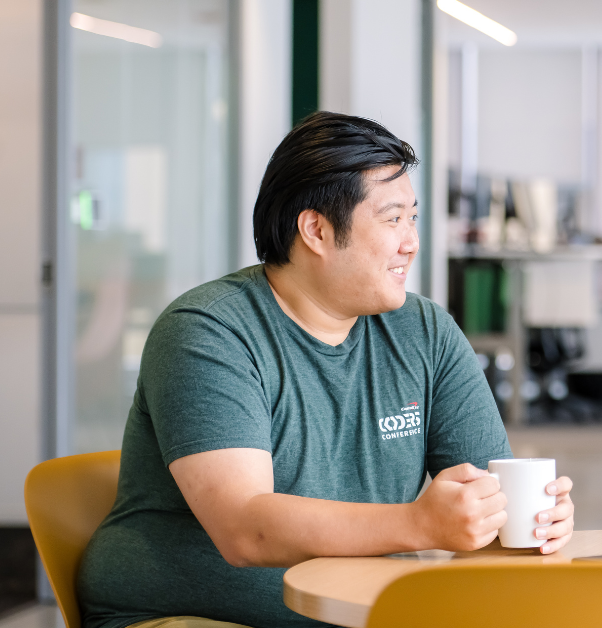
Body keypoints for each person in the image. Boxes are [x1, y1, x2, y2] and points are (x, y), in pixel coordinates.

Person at [78, 112, 575, 628]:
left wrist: (528, 520)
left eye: (413, 218)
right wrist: (420, 523)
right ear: (316, 230)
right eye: (392, 220)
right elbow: (245, 530)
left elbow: (487, 500)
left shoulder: (424, 331)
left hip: (360, 615)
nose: (411, 241)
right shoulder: (208, 332)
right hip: (185, 616)